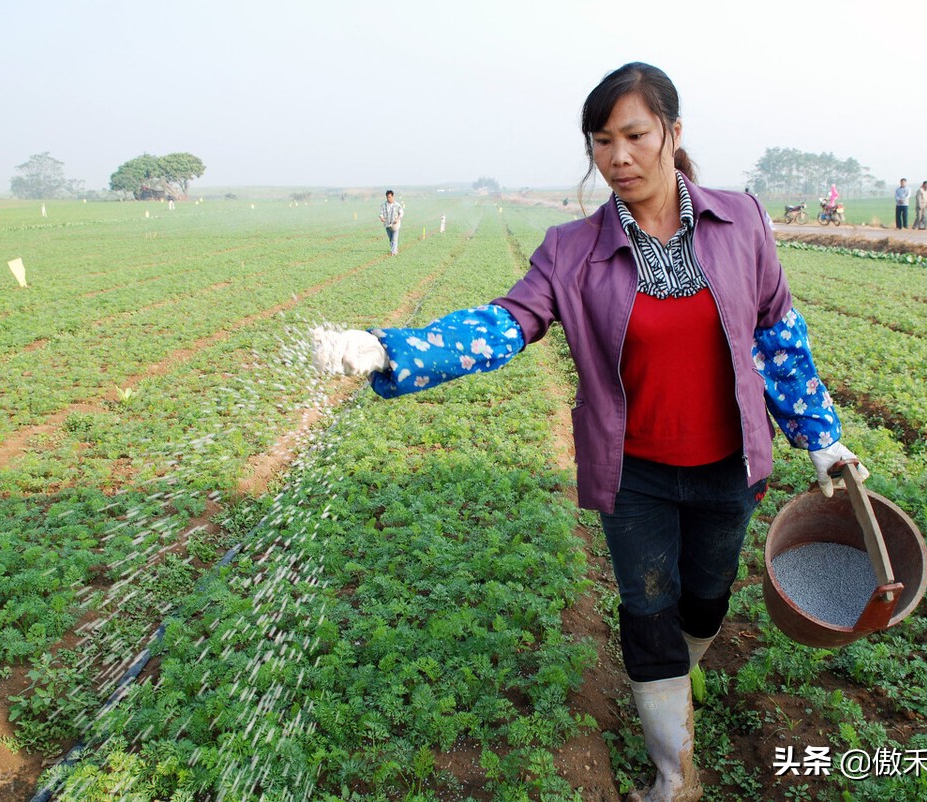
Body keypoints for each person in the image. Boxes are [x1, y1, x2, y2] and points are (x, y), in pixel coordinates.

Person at [312, 62, 868, 802]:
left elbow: (778, 336)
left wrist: (821, 435)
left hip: (727, 467)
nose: (618, 157)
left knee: (704, 600)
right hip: (634, 472)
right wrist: (396, 349)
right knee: (646, 608)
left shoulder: (741, 223)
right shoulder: (570, 250)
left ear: (673, 133)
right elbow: (506, 324)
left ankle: (683, 675)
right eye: (601, 141)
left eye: (635, 135)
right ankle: (675, 775)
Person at [379, 189, 404, 254]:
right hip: (387, 225)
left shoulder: (397, 205)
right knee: (391, 239)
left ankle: (393, 252)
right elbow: (380, 213)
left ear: (393, 196)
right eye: (387, 197)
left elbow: (401, 213)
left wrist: (397, 219)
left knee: (394, 239)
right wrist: (381, 218)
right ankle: (395, 249)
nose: (388, 198)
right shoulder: (383, 205)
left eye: (390, 197)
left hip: (395, 225)